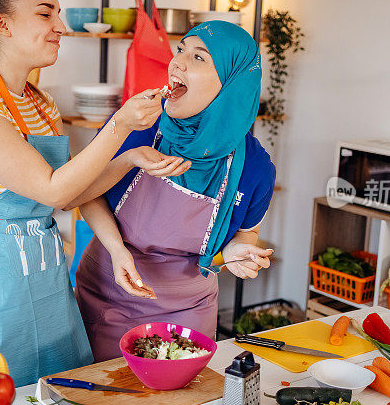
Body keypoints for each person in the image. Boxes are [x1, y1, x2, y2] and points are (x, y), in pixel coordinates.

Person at [0, 0, 172, 385]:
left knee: (64, 403)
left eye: (58, 14)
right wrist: (119, 126)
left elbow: (72, 191)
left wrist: (116, 244)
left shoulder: (41, 103)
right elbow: (51, 187)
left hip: (48, 287)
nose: (60, 27)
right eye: (46, 15)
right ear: (1, 24)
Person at [71, 21, 277, 362]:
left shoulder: (255, 168)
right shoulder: (137, 124)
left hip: (188, 310)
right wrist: (117, 248)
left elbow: (246, 233)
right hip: (111, 291)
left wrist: (239, 254)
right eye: (180, 49)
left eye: (198, 58)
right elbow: (85, 194)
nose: (177, 62)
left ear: (231, 84)